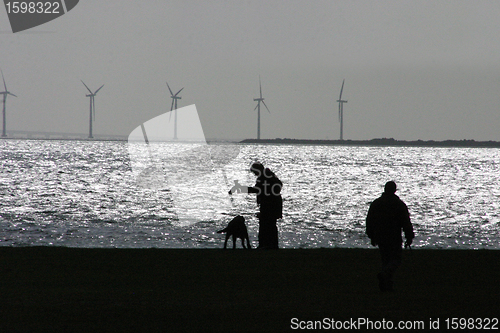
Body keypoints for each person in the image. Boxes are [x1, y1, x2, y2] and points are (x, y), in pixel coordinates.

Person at [366, 181, 414, 291]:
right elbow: (406, 221)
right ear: (394, 190)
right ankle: (386, 277)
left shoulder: (377, 203)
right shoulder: (398, 204)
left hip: (380, 236)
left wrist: (371, 235)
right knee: (395, 260)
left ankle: (386, 283)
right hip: (394, 236)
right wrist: (409, 236)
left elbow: (370, 220)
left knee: (385, 260)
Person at [229, 162, 282, 249]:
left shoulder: (263, 177)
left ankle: (264, 245)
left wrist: (239, 188)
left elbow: (256, 190)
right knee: (271, 225)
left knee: (265, 225)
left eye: (254, 172)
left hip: (269, 204)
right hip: (274, 204)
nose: (254, 174)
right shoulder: (269, 176)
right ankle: (272, 245)